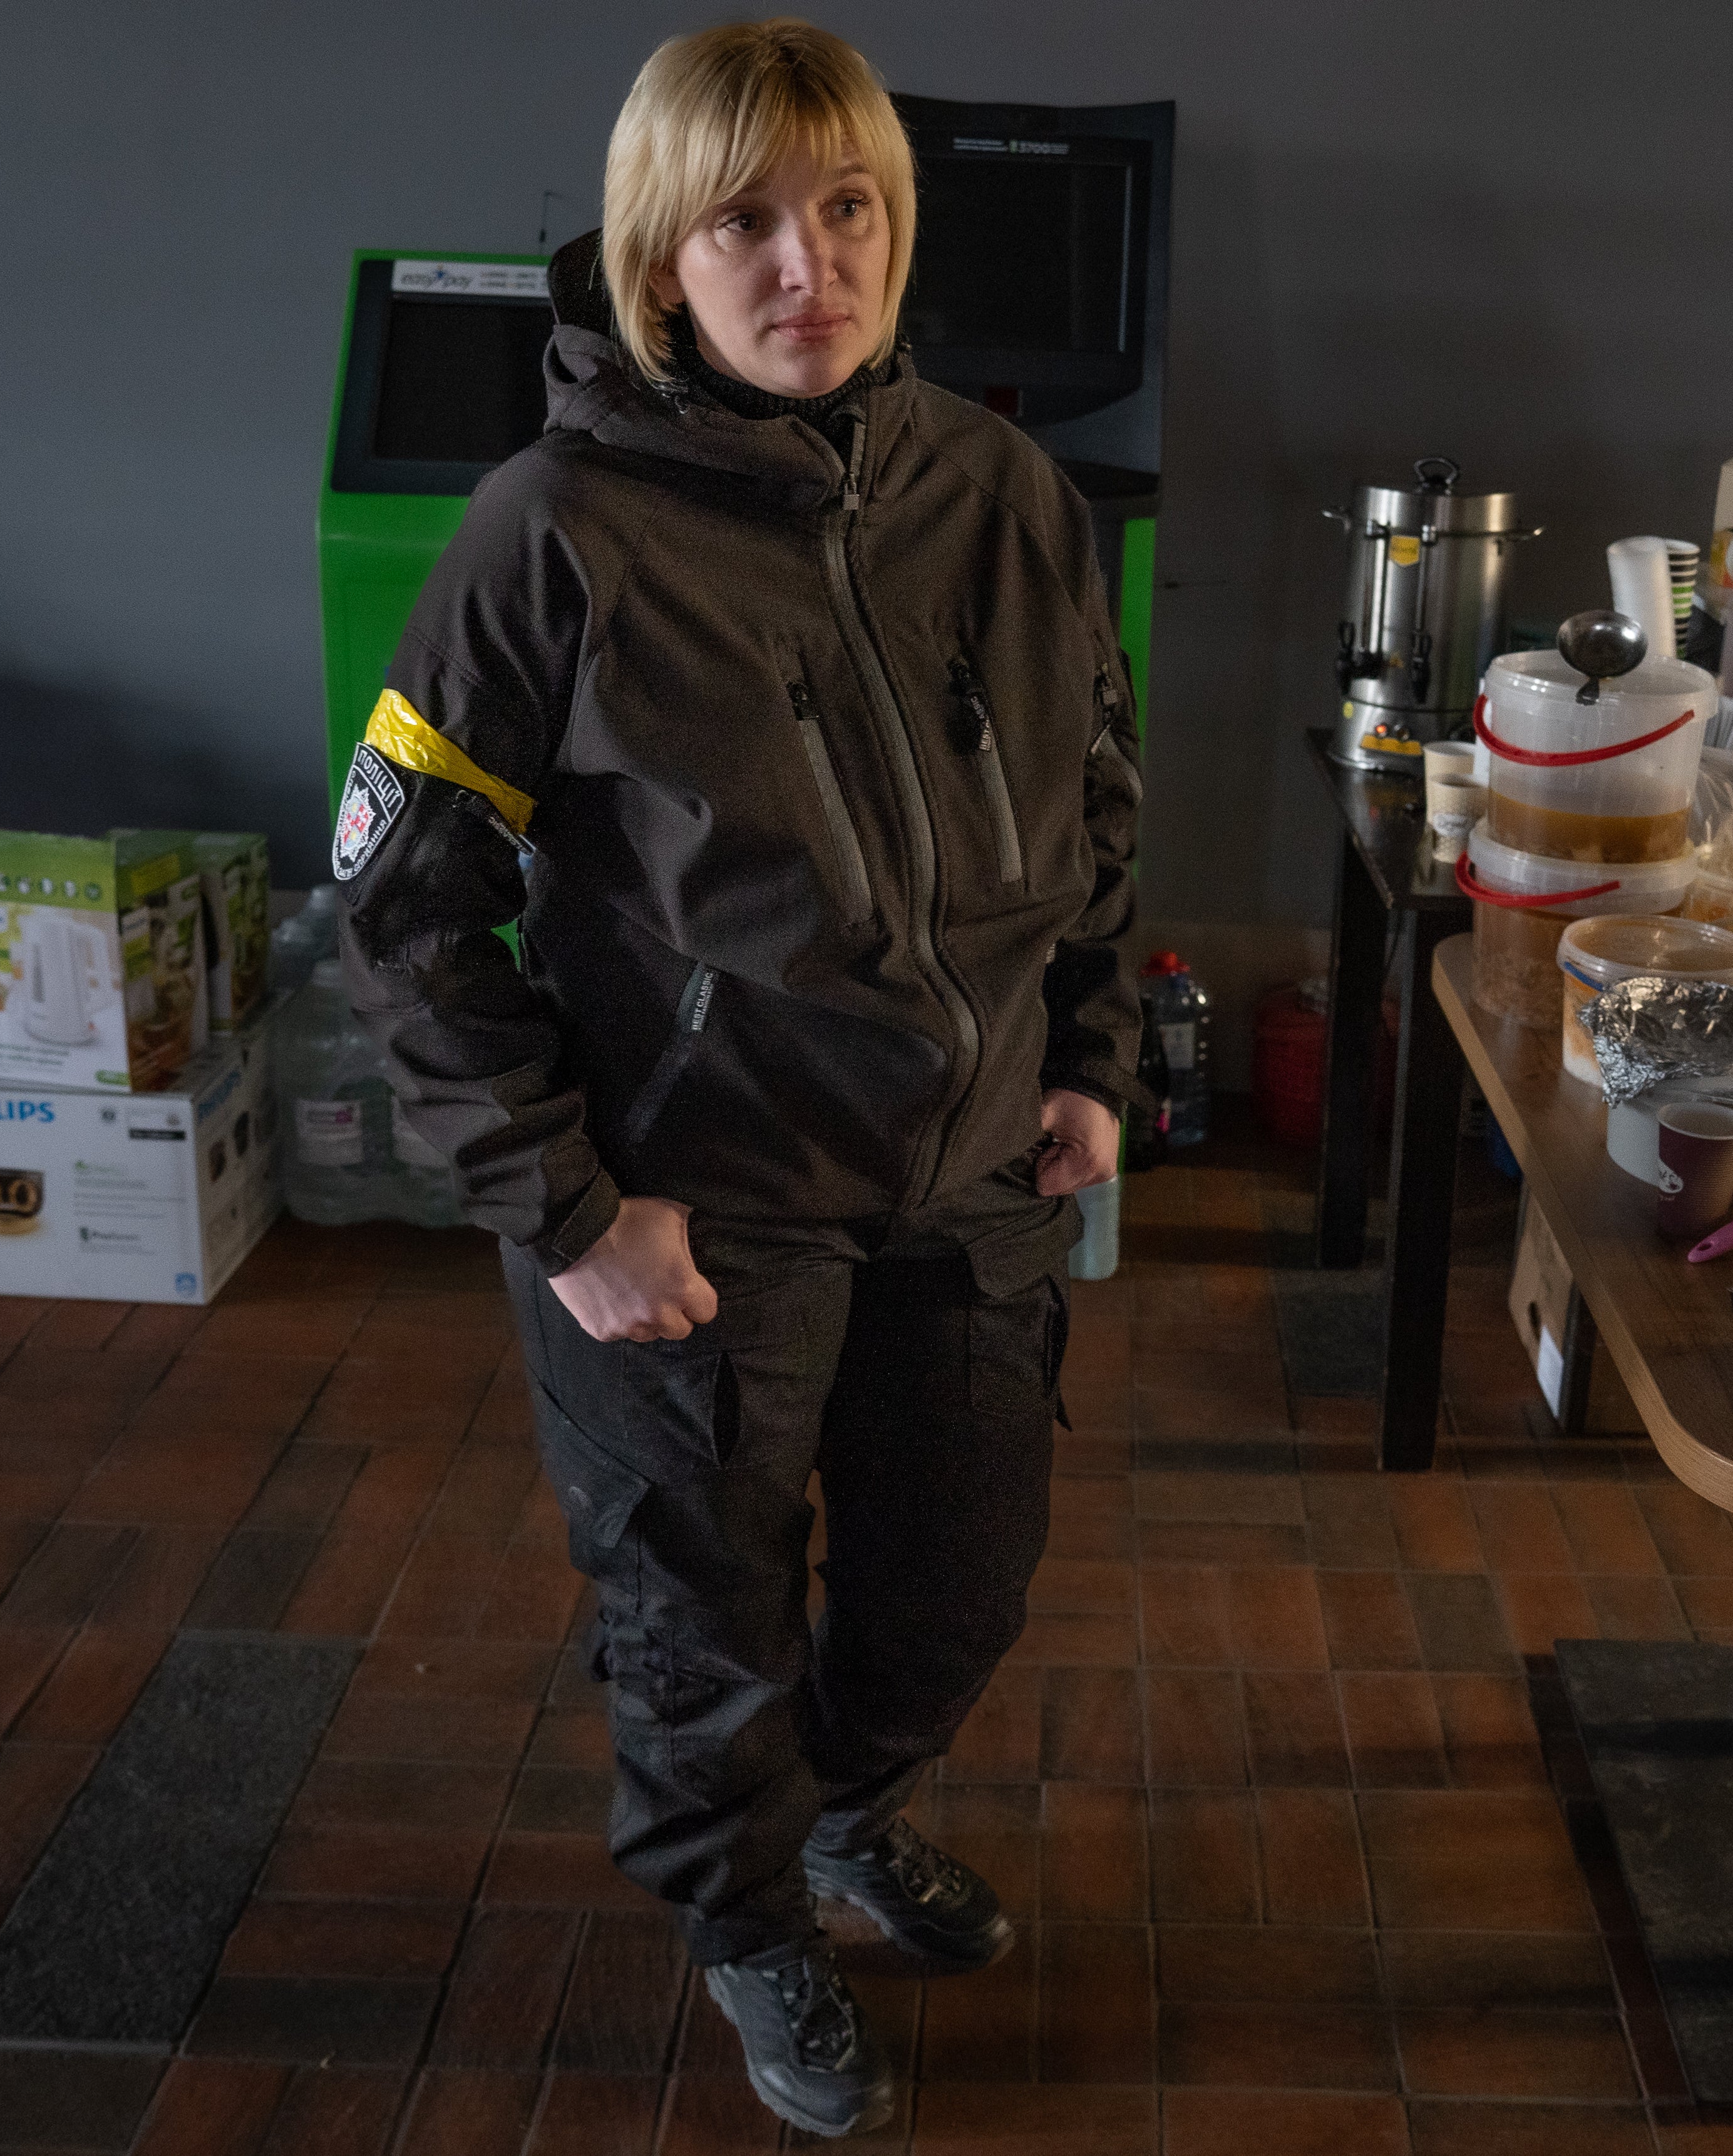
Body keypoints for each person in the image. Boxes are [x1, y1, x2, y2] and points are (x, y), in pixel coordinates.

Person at [335, 19, 1142, 2137]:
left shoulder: (1010, 495)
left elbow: (1100, 801)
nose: (812, 263)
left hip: (968, 1182)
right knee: (702, 1625)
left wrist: (1093, 1059)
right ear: (657, 262)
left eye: (850, 207)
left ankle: (841, 1812)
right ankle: (749, 1916)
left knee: (953, 1587)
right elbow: (403, 905)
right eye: (748, 223)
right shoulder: (550, 531)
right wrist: (568, 1213)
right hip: (695, 1209)